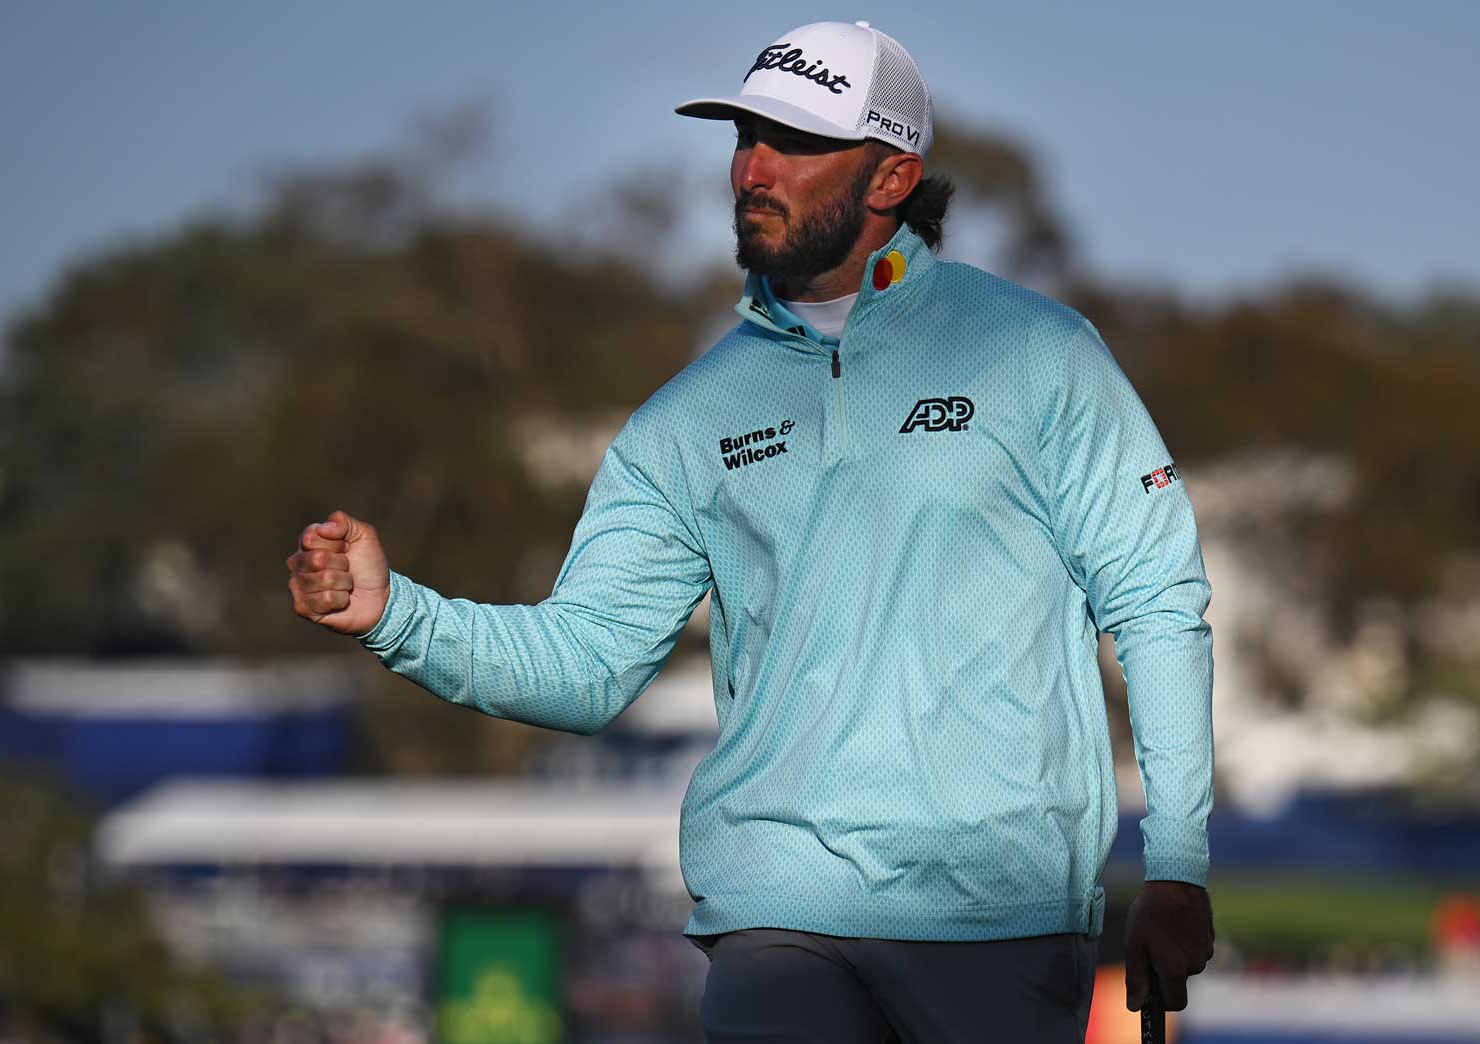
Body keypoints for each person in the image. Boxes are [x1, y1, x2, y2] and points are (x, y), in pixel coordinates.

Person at [288, 19, 1214, 1043]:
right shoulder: (684, 420)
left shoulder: (1042, 355)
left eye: (796, 141)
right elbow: (586, 664)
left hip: (997, 912)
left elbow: (1157, 603)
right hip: (775, 912)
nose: (752, 168)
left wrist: (1177, 864)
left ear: (892, 178)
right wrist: (396, 615)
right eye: (744, 136)